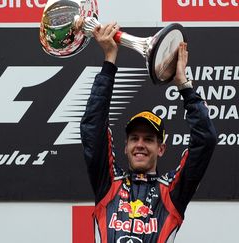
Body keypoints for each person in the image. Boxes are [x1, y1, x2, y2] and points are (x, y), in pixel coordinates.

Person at [80, 23, 217, 242]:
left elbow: (206, 139)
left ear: (161, 148)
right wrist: (109, 62)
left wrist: (183, 84)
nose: (140, 144)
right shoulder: (108, 183)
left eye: (149, 139)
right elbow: (92, 127)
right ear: (125, 147)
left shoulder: (172, 193)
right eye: (134, 138)